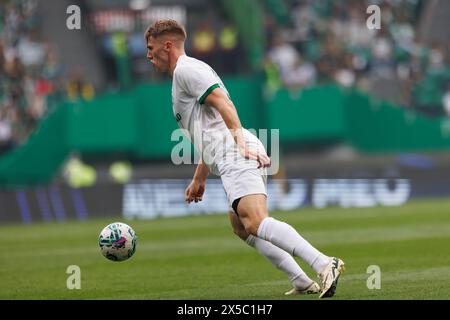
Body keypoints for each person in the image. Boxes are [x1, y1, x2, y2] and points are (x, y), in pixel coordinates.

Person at [144, 19, 345, 298]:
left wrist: (240, 143)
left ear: (167, 45)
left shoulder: (186, 70)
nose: (148, 54)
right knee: (241, 227)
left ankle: (324, 263)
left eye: (151, 48)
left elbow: (223, 103)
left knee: (255, 220)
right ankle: (300, 280)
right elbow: (209, 128)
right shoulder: (183, 75)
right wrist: (199, 177)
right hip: (228, 153)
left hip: (235, 152)